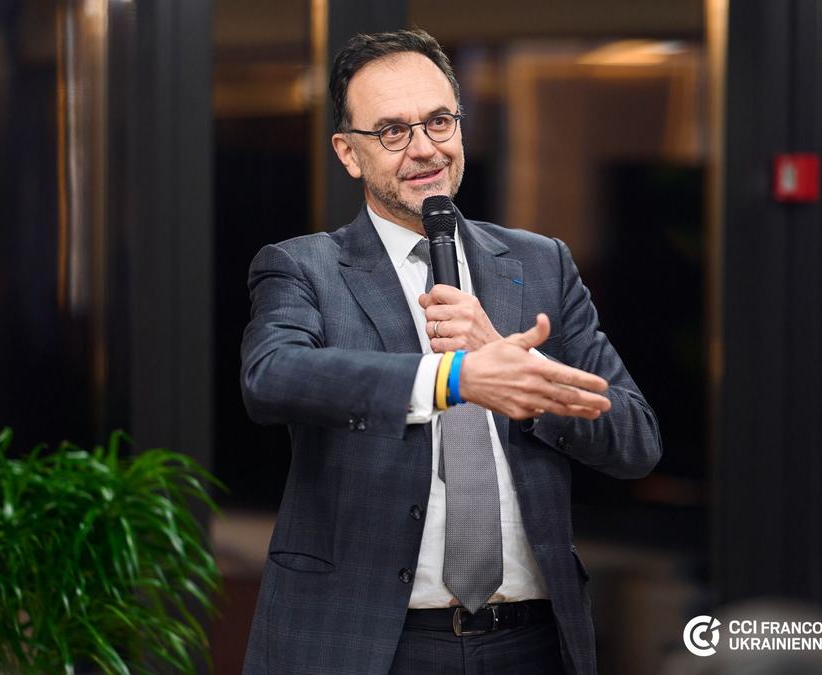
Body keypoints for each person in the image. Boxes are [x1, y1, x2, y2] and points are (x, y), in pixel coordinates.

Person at [239, 28, 662, 675]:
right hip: (371, 643)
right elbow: (271, 376)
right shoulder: (305, 268)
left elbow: (635, 441)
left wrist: (521, 376)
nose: (424, 148)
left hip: (531, 640)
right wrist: (451, 377)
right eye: (393, 131)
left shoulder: (540, 263)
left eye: (439, 121)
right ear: (348, 153)